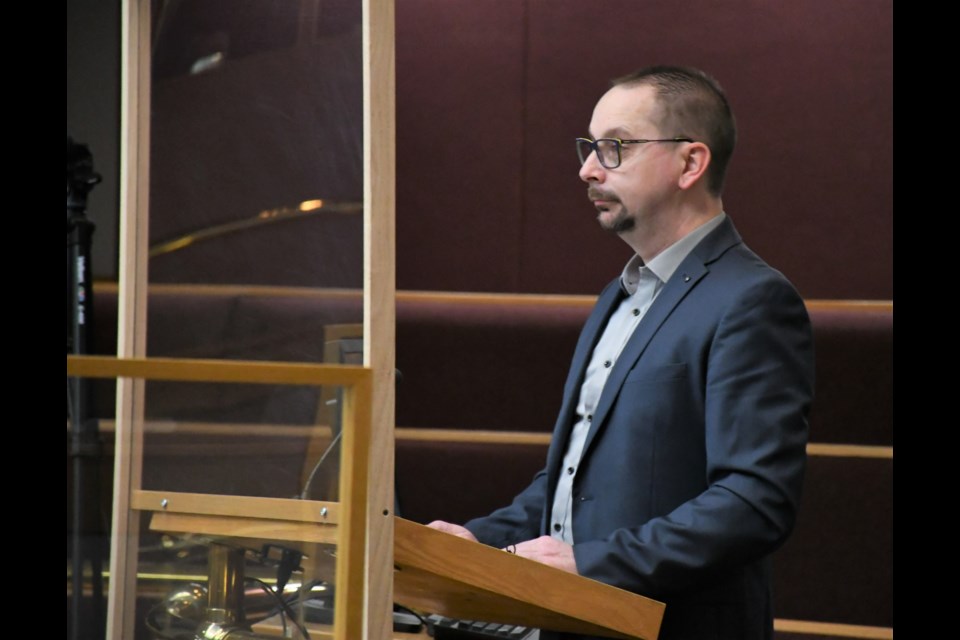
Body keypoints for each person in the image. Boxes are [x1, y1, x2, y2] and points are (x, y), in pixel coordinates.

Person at [428, 65, 815, 640]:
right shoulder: (619, 295)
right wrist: (478, 543)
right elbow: (575, 485)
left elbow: (752, 501)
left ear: (690, 163)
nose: (587, 168)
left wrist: (592, 565)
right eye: (590, 147)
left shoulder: (753, 300)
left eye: (615, 147)